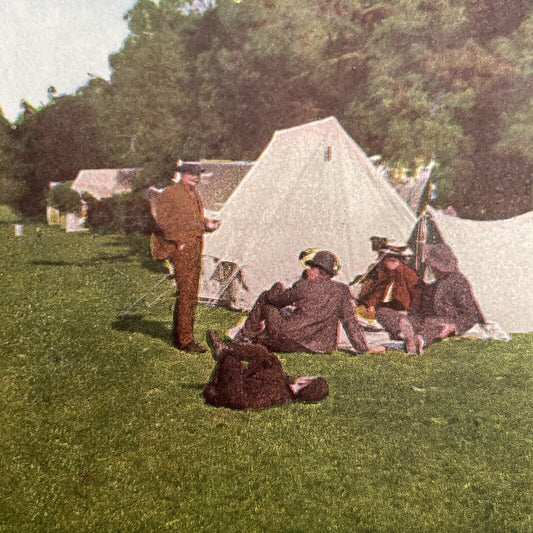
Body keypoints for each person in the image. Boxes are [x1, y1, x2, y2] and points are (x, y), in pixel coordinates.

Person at [237, 250, 369, 354]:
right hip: (323, 346)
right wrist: (363, 348)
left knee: (265, 297)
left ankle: (245, 336)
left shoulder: (304, 285)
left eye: (310, 267)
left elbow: (274, 299)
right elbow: (351, 322)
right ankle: (255, 336)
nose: (307, 270)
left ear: (318, 271)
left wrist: (278, 286)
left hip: (291, 339)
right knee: (271, 330)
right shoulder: (342, 291)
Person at [154, 161, 221, 352]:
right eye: (191, 173)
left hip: (193, 247)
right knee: (187, 293)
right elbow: (163, 222)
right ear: (182, 174)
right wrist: (178, 241)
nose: (196, 177)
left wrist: (206, 224)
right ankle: (185, 340)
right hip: (182, 249)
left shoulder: (193, 193)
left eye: (198, 174)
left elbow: (191, 220)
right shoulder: (171, 192)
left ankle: (182, 336)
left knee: (190, 293)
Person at [203, 330, 329, 409]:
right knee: (268, 359)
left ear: (306, 382)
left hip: (228, 391)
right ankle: (227, 349)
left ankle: (226, 350)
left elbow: (240, 398)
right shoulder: (282, 390)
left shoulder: (277, 392)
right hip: (236, 388)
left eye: (309, 378)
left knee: (265, 358)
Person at [399, 243, 484, 354]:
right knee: (404, 318)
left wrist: (454, 326)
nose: (434, 270)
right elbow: (424, 308)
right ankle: (406, 335)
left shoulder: (458, 281)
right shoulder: (431, 281)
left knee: (435, 325)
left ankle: (419, 341)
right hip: (427, 319)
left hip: (448, 320)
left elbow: (471, 314)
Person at [357, 246, 422, 346]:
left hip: (402, 309)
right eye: (389, 260)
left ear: (400, 260)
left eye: (394, 260)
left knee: (382, 313)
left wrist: (413, 310)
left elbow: (416, 293)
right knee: (378, 312)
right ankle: (401, 333)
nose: (392, 263)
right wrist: (368, 304)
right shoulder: (382, 273)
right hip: (385, 307)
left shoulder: (408, 273)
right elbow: (376, 293)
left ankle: (402, 333)